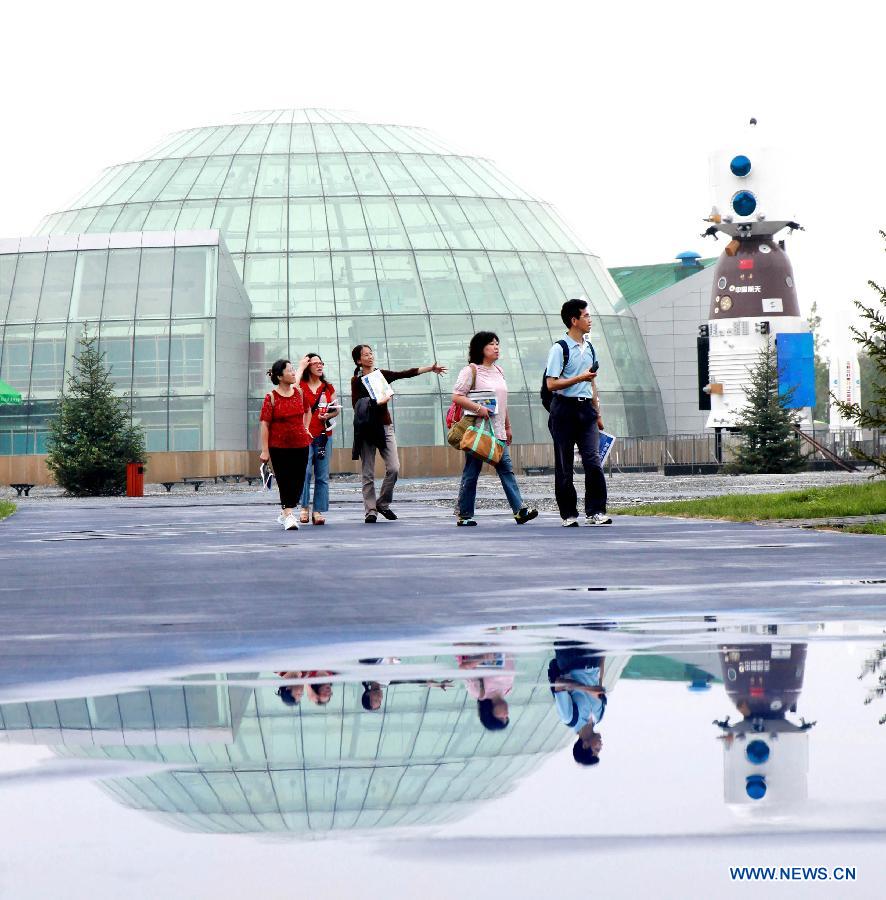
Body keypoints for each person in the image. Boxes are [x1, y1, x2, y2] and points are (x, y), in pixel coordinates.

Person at [350, 344, 447, 524]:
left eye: (371, 353)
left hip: (385, 426)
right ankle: (370, 511)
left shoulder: (382, 375)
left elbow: (405, 373)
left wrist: (430, 369)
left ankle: (383, 503)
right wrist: (379, 401)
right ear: (358, 360)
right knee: (368, 473)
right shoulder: (356, 381)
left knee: (394, 468)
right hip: (366, 429)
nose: (370, 357)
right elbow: (356, 405)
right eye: (366, 355)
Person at [451, 332, 538, 527]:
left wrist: (507, 426)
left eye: (498, 343)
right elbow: (457, 396)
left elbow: (502, 403)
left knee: (506, 469)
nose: (496, 347)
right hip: (478, 431)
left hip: (497, 430)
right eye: (491, 344)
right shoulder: (471, 370)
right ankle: (464, 515)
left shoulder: (499, 370)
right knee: (472, 472)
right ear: (481, 348)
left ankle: (519, 510)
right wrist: (478, 408)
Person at [545, 299, 612, 527]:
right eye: (585, 316)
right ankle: (568, 513)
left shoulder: (590, 347)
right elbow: (551, 385)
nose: (589, 320)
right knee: (565, 465)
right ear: (574, 320)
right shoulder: (559, 348)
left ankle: (596, 511)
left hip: (586, 410)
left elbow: (592, 383)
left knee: (593, 461)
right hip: (564, 409)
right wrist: (579, 378)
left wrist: (598, 412)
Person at [259, 358, 313, 531]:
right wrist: (265, 450)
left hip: (301, 444)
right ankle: (288, 514)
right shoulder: (271, 398)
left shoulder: (299, 393)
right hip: (279, 447)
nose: (293, 373)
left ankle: (284, 514)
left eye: (293, 369)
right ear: (280, 376)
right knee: (284, 481)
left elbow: (307, 411)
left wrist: (305, 428)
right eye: (289, 370)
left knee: (298, 480)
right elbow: (265, 424)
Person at [548, 646, 607, 766]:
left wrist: (588, 690)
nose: (601, 746)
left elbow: (559, 683)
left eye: (596, 749)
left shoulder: (569, 718)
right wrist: (603, 653)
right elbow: (599, 681)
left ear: (585, 745)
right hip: (594, 658)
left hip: (571, 659)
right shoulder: (599, 715)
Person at [298, 353, 338, 526]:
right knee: (304, 473)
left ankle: (318, 511)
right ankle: (304, 507)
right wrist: (300, 366)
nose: (319, 366)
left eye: (321, 363)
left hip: (324, 436)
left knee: (322, 476)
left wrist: (328, 415)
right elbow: (290, 388)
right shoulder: (300, 385)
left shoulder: (328, 387)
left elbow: (336, 409)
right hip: (305, 437)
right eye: (315, 364)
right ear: (308, 367)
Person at [457, 652, 515, 730]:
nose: (507, 713)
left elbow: (463, 668)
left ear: (489, 714)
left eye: (502, 717)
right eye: (507, 717)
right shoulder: (508, 689)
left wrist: (483, 657)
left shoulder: (478, 692)